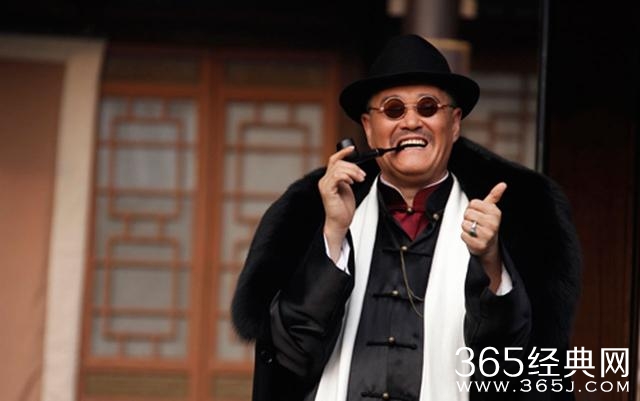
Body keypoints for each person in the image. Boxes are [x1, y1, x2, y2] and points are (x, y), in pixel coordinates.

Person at [231, 34, 581, 401]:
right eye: (394, 109)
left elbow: (511, 368)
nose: (411, 122)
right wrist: (333, 233)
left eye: (428, 107)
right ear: (368, 128)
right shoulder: (313, 216)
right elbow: (292, 355)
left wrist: (491, 262)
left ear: (455, 123)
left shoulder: (512, 219)